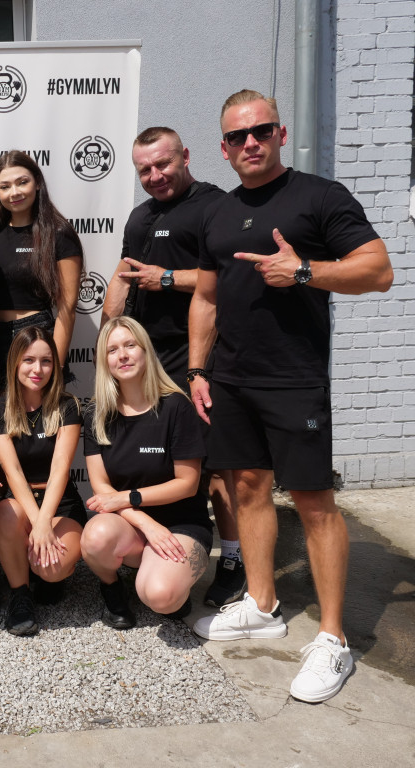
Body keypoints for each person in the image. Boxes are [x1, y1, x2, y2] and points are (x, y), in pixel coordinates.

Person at [189, 89, 393, 703]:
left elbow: (378, 269)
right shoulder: (218, 212)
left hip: (294, 379)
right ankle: (262, 601)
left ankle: (332, 638)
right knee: (247, 488)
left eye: (261, 131)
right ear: (223, 149)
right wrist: (199, 369)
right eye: (237, 136)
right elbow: (206, 296)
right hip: (231, 377)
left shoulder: (320, 196)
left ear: (280, 134)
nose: (250, 142)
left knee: (312, 503)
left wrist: (304, 271)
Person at [101, 127, 242, 609]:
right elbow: (125, 272)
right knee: (160, 457)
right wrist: (113, 308)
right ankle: (160, 544)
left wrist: (166, 278)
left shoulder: (214, 206)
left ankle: (232, 558)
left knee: (217, 464)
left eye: (164, 164)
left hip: (199, 357)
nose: (155, 176)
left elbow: (226, 279)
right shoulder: (140, 217)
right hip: (144, 358)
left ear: (186, 156)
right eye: (145, 170)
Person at [80, 317, 212, 630]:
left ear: (145, 351)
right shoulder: (97, 415)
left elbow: (188, 484)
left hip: (182, 523)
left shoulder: (176, 407)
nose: (122, 355)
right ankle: (112, 588)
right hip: (132, 525)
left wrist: (129, 498)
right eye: (112, 350)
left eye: (130, 345)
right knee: (96, 537)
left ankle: (166, 579)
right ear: (105, 361)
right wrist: (147, 523)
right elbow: (101, 487)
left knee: (161, 597)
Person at [0, 327, 85, 636]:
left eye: (45, 361)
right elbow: (12, 472)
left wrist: (45, 523)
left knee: (51, 570)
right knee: (4, 513)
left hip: (60, 505)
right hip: (21, 503)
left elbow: (60, 471)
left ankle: (44, 575)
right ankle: (20, 594)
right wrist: (36, 523)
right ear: (15, 362)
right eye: (29, 360)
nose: (37, 369)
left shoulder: (67, 405)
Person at [0, 150, 83, 383]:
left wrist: (54, 366)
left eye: (22, 182)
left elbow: (67, 310)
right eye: (5, 186)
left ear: (37, 183)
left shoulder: (58, 234)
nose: (14, 192)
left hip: (34, 339)